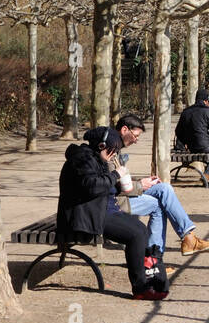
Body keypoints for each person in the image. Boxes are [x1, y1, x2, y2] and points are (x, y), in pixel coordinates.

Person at [56, 125, 166, 299]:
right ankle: (140, 288)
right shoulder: (81, 160)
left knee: (140, 230)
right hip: (85, 217)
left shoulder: (92, 158)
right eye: (111, 151)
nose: (113, 155)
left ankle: (146, 278)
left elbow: (100, 184)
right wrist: (115, 175)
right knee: (136, 234)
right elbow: (92, 186)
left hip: (97, 211)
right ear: (101, 146)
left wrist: (129, 182)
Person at [113, 114, 209, 257]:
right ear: (125, 130)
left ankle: (188, 237)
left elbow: (118, 178)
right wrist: (140, 185)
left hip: (122, 194)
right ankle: (154, 259)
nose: (136, 141)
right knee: (158, 205)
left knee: (164, 188)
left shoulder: (114, 147)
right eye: (136, 136)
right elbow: (112, 185)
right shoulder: (109, 148)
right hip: (115, 201)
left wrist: (144, 181)